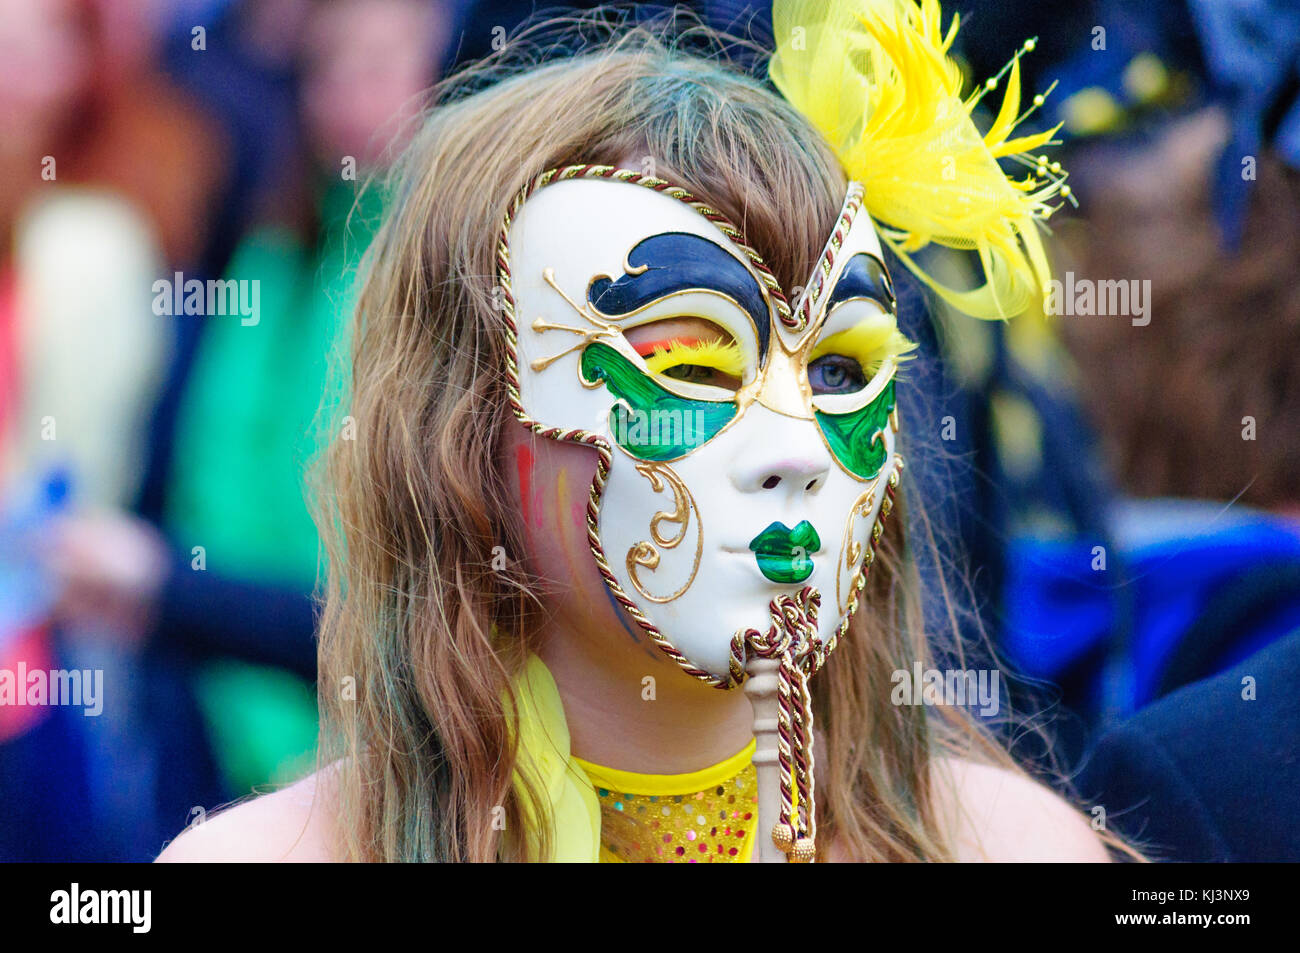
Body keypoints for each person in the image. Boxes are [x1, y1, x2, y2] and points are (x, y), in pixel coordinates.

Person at [159, 0, 1133, 862]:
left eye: (838, 367)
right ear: (464, 426)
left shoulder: (1008, 845)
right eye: (690, 368)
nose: (794, 451)